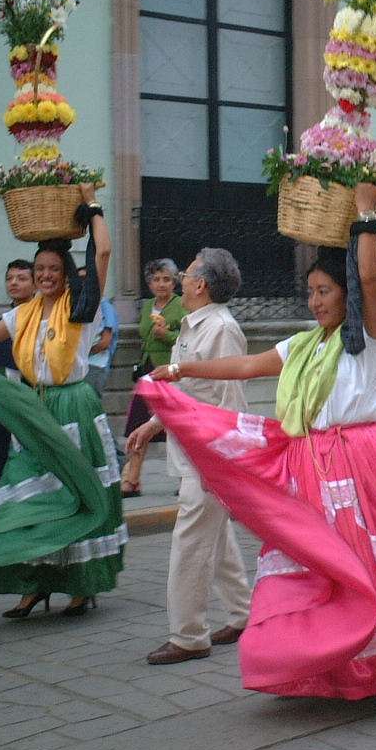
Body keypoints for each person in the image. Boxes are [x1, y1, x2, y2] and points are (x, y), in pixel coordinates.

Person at [143, 184, 376, 697]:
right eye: (311, 292)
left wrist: (366, 216)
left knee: (362, 565)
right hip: (310, 466)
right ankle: (323, 664)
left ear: (347, 295)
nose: (315, 301)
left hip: (358, 460)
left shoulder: (371, 338)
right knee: (315, 567)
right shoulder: (303, 344)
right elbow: (247, 366)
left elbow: (367, 277)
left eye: (324, 291)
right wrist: (180, 370)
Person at [0, 186, 124, 616]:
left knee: (75, 495)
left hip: (73, 408)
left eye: (54, 269)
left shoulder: (82, 306)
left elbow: (104, 252)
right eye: (39, 269)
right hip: (34, 409)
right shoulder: (21, 314)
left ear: (67, 273)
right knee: (34, 497)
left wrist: (91, 204)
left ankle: (81, 585)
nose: (46, 275)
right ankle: (34, 584)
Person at [127, 248, 253, 666]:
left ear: (201, 284)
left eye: (186, 274)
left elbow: (231, 400)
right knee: (214, 537)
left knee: (191, 543)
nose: (180, 278)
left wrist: (223, 458)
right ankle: (243, 613)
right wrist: (153, 425)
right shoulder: (193, 324)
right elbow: (185, 391)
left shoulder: (221, 328)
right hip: (192, 449)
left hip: (209, 454)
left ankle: (188, 635)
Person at [121, 258, 186, 496]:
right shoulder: (148, 306)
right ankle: (133, 479)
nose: (161, 284)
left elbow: (188, 337)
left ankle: (185, 480)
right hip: (148, 373)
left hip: (169, 372)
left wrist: (166, 335)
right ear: (149, 284)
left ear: (174, 283)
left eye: (166, 279)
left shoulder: (180, 305)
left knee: (176, 427)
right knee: (138, 424)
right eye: (156, 279)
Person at [0, 259, 35, 485]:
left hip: (30, 400)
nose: (13, 283)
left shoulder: (40, 318)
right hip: (6, 400)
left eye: (21, 278)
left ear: (35, 285)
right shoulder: (5, 319)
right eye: (9, 278)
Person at [83, 272, 118, 397]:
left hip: (96, 366)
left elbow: (105, 342)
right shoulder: (84, 305)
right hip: (83, 366)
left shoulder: (104, 305)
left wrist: (82, 354)